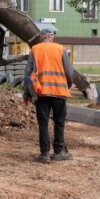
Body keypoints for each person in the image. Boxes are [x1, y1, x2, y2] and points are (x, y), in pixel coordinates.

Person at [24, 27, 75, 164]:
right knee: (59, 122)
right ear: (52, 36)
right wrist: (68, 85)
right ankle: (58, 152)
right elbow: (69, 72)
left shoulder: (35, 50)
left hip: (41, 93)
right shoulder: (61, 49)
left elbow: (28, 74)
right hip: (59, 92)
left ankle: (44, 154)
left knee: (43, 123)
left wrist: (27, 93)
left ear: (41, 37)